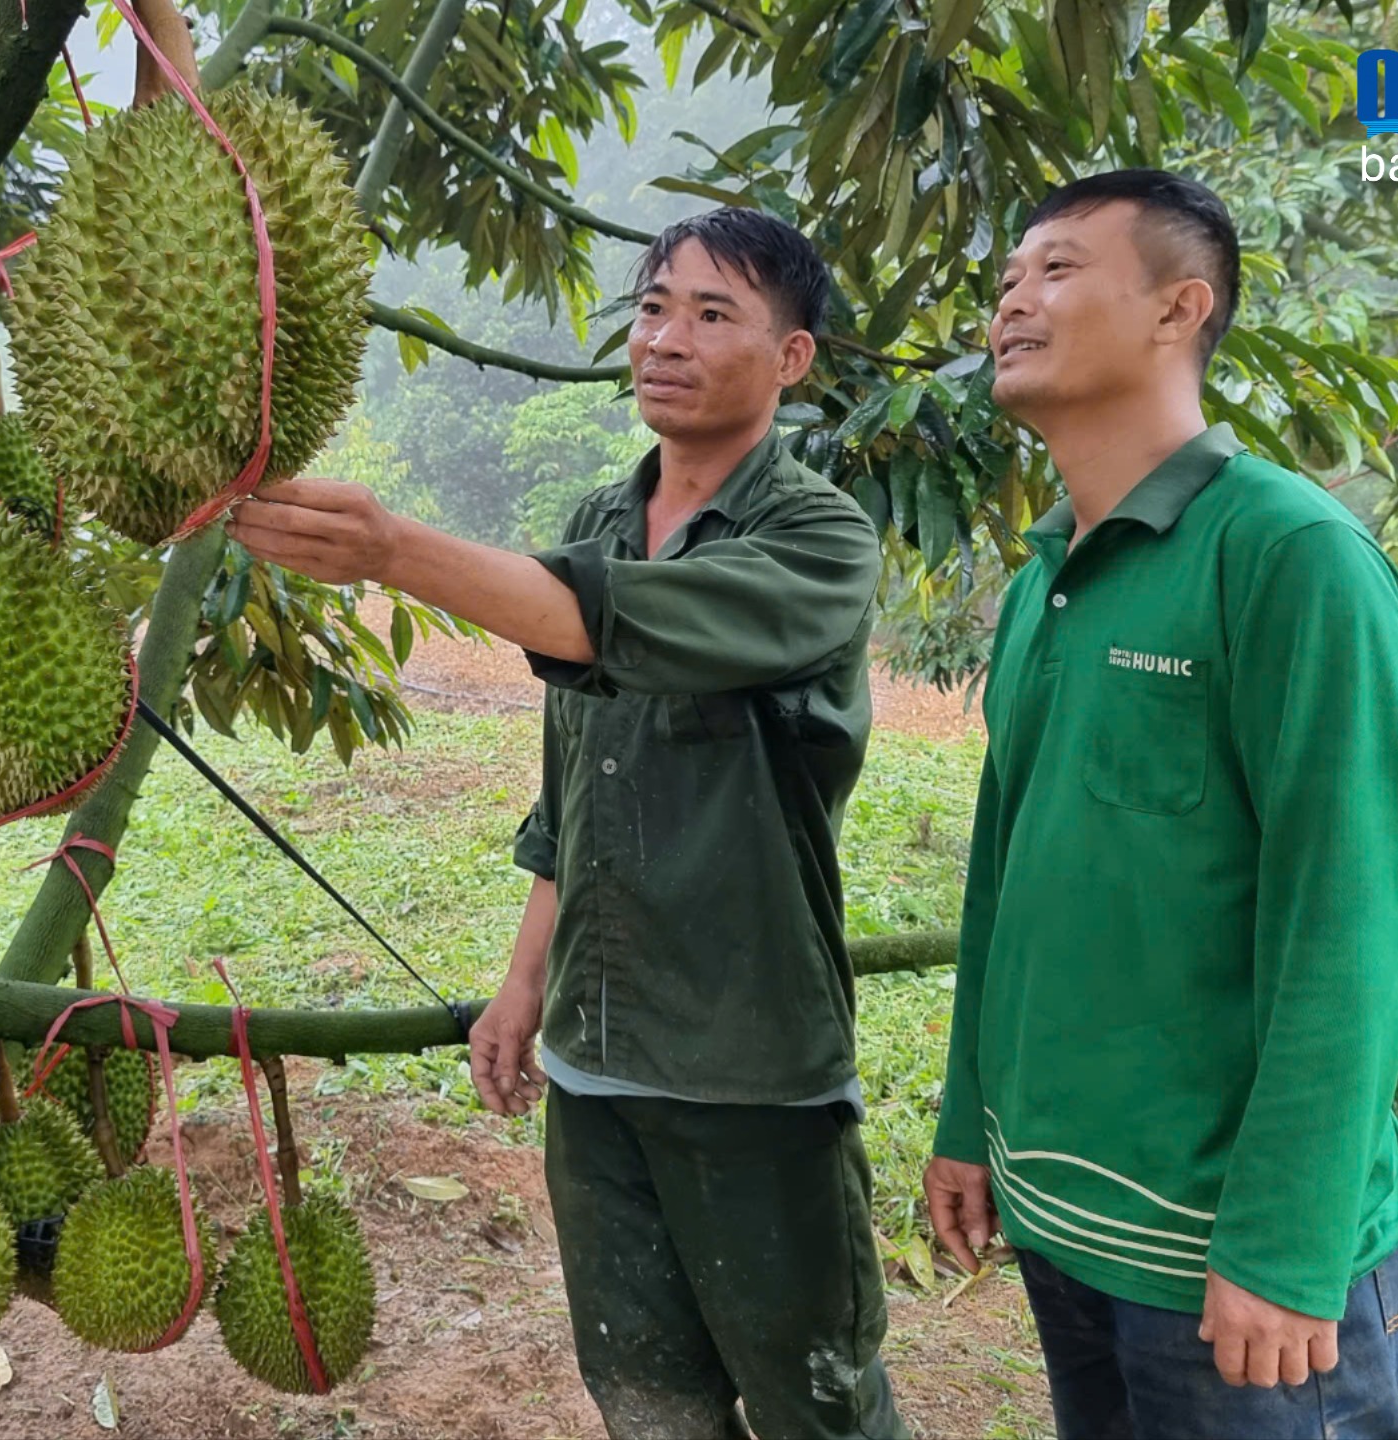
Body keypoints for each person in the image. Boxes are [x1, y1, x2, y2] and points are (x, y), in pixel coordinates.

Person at [227, 207, 902, 1439]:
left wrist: (387, 546)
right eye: (653, 308)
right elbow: (573, 792)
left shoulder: (816, 538)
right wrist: (519, 984)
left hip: (747, 1064)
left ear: (792, 360)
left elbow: (603, 623)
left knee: (818, 1404)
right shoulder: (599, 518)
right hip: (593, 1066)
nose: (667, 338)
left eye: (713, 315)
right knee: (646, 1392)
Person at [922, 169, 1398, 1440]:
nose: (1011, 303)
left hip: (1232, 1265)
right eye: (1005, 281)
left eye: (1055, 270)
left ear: (1177, 307)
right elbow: (1008, 871)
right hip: (1068, 1221)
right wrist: (966, 1120)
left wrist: (1285, 1241)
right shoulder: (1051, 572)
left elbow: (1353, 917)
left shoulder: (1287, 555)